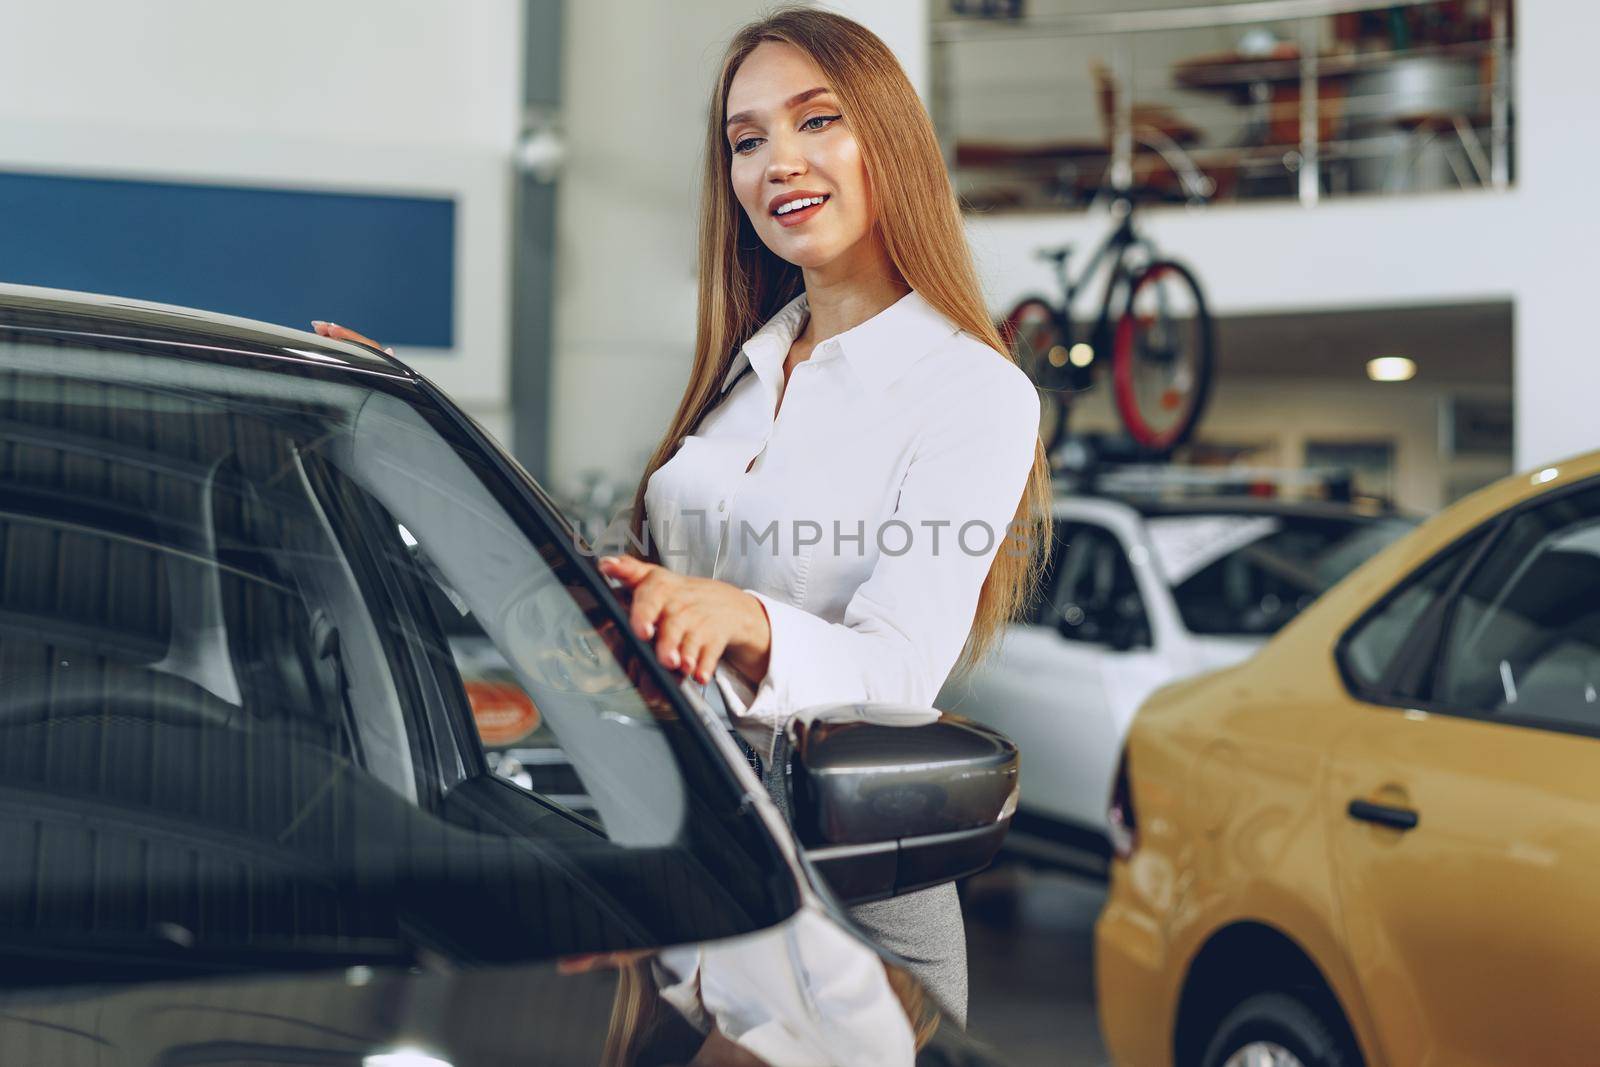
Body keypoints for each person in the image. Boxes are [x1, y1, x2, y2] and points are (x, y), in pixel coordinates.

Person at [596, 2, 1053, 1034]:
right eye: (745, 140)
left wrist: (745, 619)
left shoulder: (971, 391)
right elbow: (659, 601)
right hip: (682, 865)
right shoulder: (743, 375)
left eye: (815, 120)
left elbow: (896, 675)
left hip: (845, 905)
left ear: (887, 138)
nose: (776, 162)